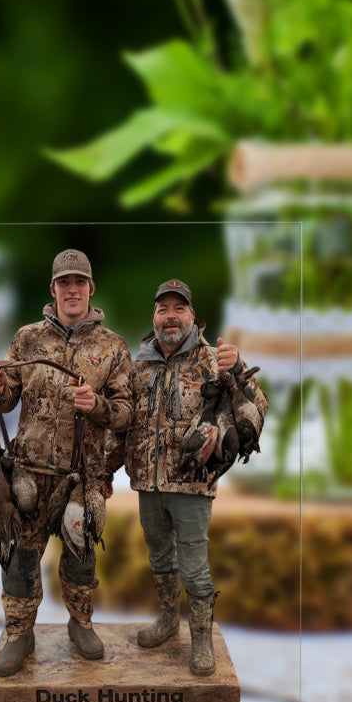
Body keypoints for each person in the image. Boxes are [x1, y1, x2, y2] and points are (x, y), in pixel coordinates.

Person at [0, 249, 131, 677]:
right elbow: (8, 397)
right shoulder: (27, 338)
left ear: (91, 288)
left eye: (79, 282)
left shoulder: (113, 347)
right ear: (53, 289)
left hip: (82, 476)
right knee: (19, 560)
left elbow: (126, 413)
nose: (72, 289)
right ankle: (18, 633)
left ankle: (80, 623)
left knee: (81, 557)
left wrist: (97, 405)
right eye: (65, 282)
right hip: (28, 472)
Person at [125, 278, 266, 676]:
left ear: (193, 315)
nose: (170, 317)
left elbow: (259, 407)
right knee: (159, 555)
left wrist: (236, 369)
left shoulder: (214, 359)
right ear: (154, 317)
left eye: (179, 308)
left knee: (194, 565)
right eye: (162, 309)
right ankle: (169, 620)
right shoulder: (139, 364)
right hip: (147, 484)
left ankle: (201, 638)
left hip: (192, 485)